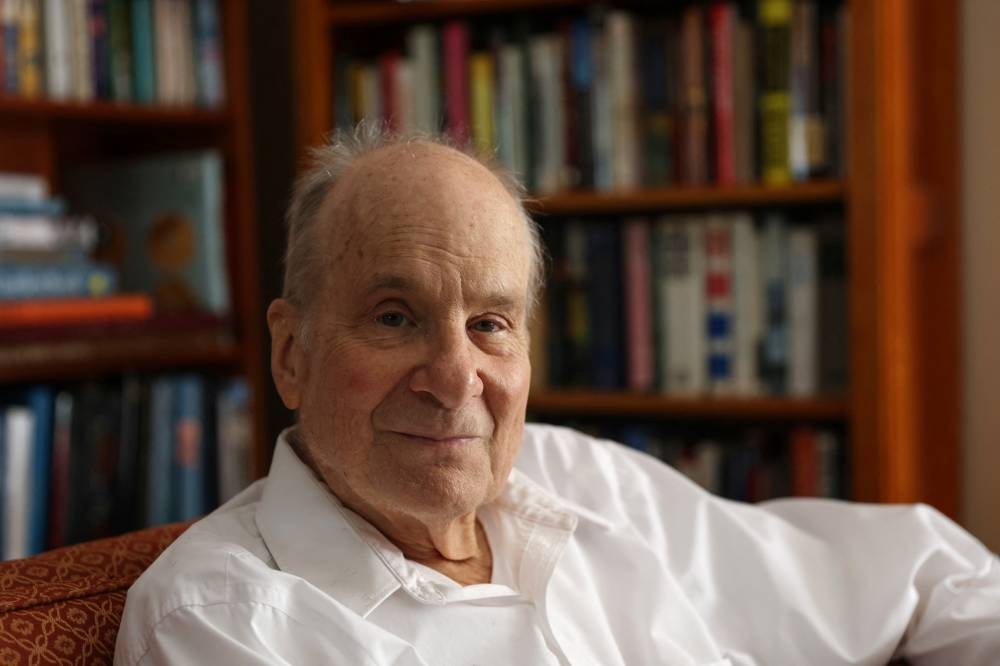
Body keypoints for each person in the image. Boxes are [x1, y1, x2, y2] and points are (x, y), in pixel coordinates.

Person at [114, 128, 1000, 665]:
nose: (456, 375)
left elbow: (933, 580)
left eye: (491, 324)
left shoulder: (585, 484)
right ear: (292, 352)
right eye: (395, 317)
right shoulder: (224, 622)